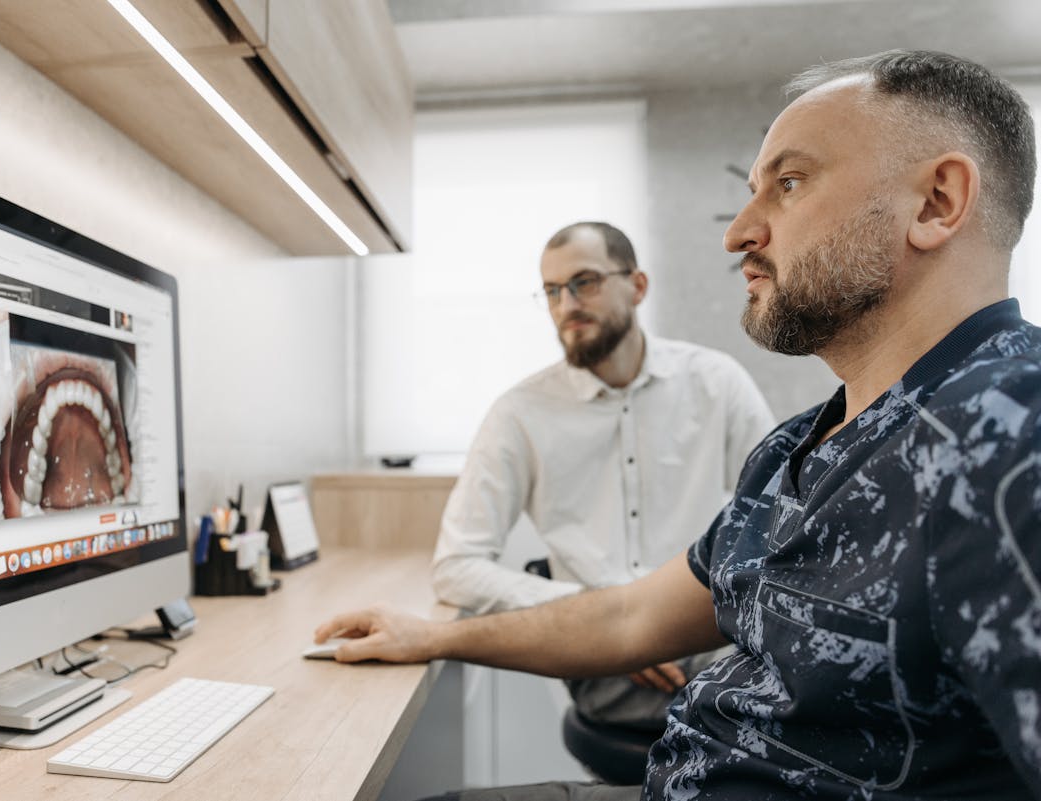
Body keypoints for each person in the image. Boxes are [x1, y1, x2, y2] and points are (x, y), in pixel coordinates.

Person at [314, 49, 1041, 800]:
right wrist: (430, 634)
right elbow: (632, 616)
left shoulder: (1008, 433)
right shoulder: (799, 449)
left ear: (936, 202)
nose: (737, 234)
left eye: (788, 184)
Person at [433, 221, 774, 732]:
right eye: (551, 291)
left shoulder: (715, 382)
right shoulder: (518, 413)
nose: (566, 305)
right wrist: (596, 616)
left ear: (637, 286)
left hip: (711, 634)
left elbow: (778, 520)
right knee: (758, 718)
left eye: (584, 282)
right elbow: (456, 566)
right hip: (601, 659)